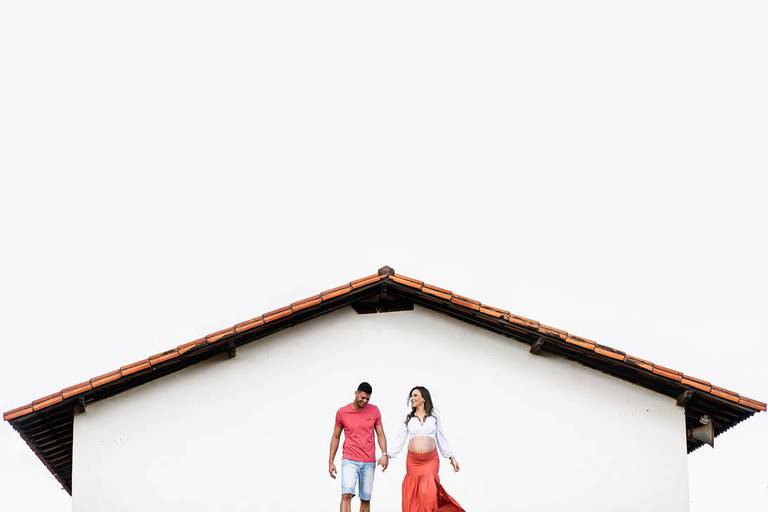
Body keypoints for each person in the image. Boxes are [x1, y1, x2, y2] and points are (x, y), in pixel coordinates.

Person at [387, 386, 465, 512]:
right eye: (411, 396)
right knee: (413, 496)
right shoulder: (408, 418)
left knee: (428, 495)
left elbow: (442, 437)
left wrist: (451, 457)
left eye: (415, 395)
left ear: (423, 398)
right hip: (413, 462)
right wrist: (388, 455)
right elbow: (399, 438)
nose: (412, 398)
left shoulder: (434, 416)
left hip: (430, 460)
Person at [329, 382, 389, 512]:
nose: (365, 401)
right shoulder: (342, 412)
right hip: (349, 459)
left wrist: (384, 454)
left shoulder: (374, 410)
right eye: (362, 397)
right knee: (346, 495)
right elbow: (336, 437)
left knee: (365, 499)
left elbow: (380, 434)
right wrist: (331, 461)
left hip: (369, 461)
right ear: (356, 393)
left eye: (368, 398)